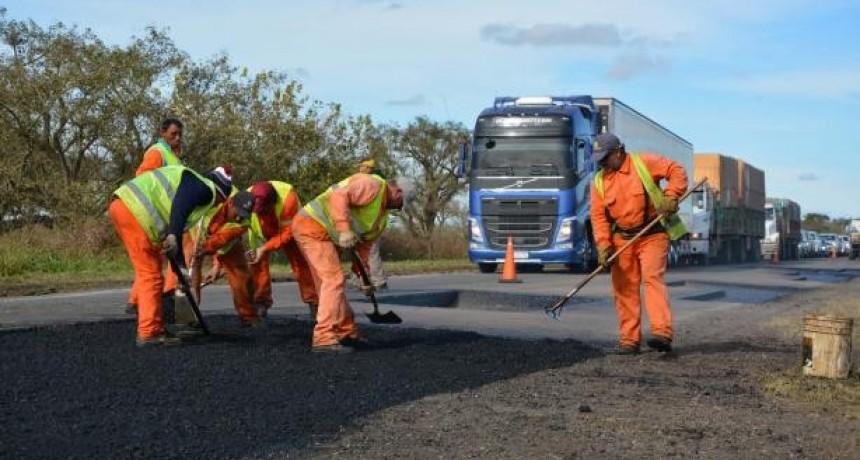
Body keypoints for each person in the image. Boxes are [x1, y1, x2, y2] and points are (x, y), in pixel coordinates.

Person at [108, 164, 235, 347]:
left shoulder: (190, 183)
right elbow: (180, 206)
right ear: (220, 194)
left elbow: (177, 220)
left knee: (149, 271)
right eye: (220, 202)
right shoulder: (205, 188)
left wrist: (181, 268)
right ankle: (149, 332)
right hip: (134, 210)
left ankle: (155, 327)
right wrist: (173, 235)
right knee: (150, 275)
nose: (217, 206)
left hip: (122, 206)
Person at [589, 133, 688, 355]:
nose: (602, 164)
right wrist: (604, 246)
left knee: (652, 279)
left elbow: (676, 170)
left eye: (605, 158)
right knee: (624, 287)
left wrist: (671, 196)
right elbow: (598, 217)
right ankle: (629, 340)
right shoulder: (599, 182)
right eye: (599, 160)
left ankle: (662, 333)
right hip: (622, 239)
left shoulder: (643, 163)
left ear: (618, 152)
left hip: (652, 233)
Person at [292, 171, 408, 353]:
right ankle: (323, 337)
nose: (399, 208)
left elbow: (364, 249)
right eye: (401, 204)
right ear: (398, 192)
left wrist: (363, 277)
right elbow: (339, 195)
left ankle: (346, 331)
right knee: (333, 279)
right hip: (310, 225)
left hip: (325, 233)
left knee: (331, 283)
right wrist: (344, 229)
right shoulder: (371, 185)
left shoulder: (381, 218)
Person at [125, 118, 188, 315]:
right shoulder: (157, 152)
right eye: (173, 134)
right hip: (154, 214)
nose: (177, 138)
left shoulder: (172, 155)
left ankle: (136, 301)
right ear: (163, 133)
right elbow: (143, 178)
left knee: (153, 261)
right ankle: (166, 295)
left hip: (164, 213)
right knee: (163, 258)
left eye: (179, 134)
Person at [245, 181, 319, 319]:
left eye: (264, 210)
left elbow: (287, 232)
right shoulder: (246, 196)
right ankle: (261, 301)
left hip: (288, 230)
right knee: (257, 264)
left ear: (272, 202)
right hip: (259, 233)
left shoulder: (288, 198)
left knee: (300, 264)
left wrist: (265, 248)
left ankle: (314, 302)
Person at [189, 190, 262, 328]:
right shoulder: (217, 196)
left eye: (243, 214)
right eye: (238, 212)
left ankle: (249, 316)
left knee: (242, 277)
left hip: (222, 244)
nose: (240, 218)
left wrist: (215, 263)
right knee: (190, 278)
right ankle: (189, 316)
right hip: (194, 236)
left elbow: (221, 239)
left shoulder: (243, 223)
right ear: (230, 203)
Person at [350, 156, 389, 290]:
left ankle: (378, 281)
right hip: (366, 223)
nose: (360, 169)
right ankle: (360, 280)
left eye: (361, 166)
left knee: (370, 252)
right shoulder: (377, 181)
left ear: (367, 167)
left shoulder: (371, 181)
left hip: (368, 224)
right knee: (361, 253)